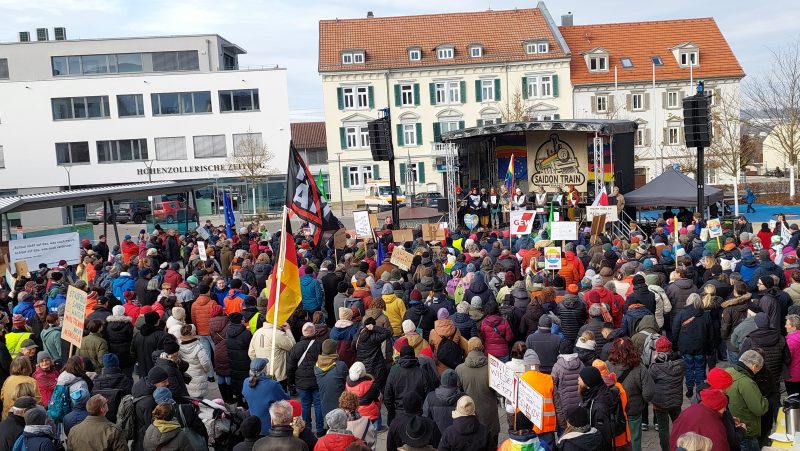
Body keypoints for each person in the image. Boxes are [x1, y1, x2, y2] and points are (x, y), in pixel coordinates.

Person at [606, 337, 654, 451]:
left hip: (612, 410)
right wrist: (642, 402)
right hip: (633, 409)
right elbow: (648, 393)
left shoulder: (606, 365)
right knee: (634, 440)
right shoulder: (640, 368)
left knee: (615, 441)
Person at [455, 338, 500, 447]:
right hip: (489, 417)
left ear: (468, 349)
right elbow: (499, 393)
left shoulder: (459, 369)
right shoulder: (492, 368)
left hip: (468, 416)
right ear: (482, 348)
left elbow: (457, 393)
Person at [725, 350, 769, 451]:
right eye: (758, 368)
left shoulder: (728, 371)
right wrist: (765, 400)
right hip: (746, 429)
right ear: (754, 366)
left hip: (732, 428)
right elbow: (759, 409)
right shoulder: (747, 382)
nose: (757, 371)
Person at [286, 322, 326, 435]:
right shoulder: (320, 345)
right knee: (318, 404)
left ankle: (307, 429)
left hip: (301, 382)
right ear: (314, 332)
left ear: (303, 333)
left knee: (305, 405)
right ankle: (319, 429)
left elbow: (290, 367)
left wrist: (290, 383)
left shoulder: (296, 347)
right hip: (317, 380)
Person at [671, 293, 711, 398]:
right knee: (700, 368)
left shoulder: (681, 314)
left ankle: (689, 389)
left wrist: (674, 345)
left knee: (688, 368)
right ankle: (700, 389)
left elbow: (675, 330)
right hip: (701, 346)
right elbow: (710, 333)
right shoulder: (705, 314)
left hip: (685, 346)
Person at [386, 345, 432, 426]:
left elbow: (388, 396)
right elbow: (429, 395)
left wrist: (392, 412)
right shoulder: (422, 372)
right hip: (418, 415)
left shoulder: (393, 372)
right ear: (414, 356)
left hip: (399, 414)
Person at [242, 357, 290, 436]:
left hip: (254, 426)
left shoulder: (246, 382)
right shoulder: (272, 385)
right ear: (264, 369)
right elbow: (286, 399)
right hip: (269, 427)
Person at [315, 338, 349, 428]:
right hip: (340, 405)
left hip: (325, 405)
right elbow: (349, 381)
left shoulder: (316, 366)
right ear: (335, 350)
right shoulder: (340, 366)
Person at [577, 366, 613, 449]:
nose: (578, 379)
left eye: (581, 378)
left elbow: (603, 435)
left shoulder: (599, 406)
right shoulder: (589, 393)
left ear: (588, 382)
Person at [422, 369, 463, 437]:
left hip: (436, 438)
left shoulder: (430, 397)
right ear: (456, 381)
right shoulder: (464, 398)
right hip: (458, 439)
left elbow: (425, 419)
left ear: (441, 380)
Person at [178, 324, 213, 399]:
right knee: (199, 399)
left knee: (191, 398)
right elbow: (205, 362)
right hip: (198, 376)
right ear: (193, 333)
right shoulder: (198, 346)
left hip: (186, 377)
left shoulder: (179, 346)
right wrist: (207, 371)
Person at [132, 311, 166, 377]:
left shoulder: (138, 334)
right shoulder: (160, 335)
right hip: (156, 369)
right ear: (157, 321)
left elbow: (133, 351)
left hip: (142, 367)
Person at [786, 314, 800, 397]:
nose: (785, 326)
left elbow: (787, 359)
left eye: (787, 324)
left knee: (793, 400)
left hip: (793, 376)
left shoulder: (790, 341)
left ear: (794, 327)